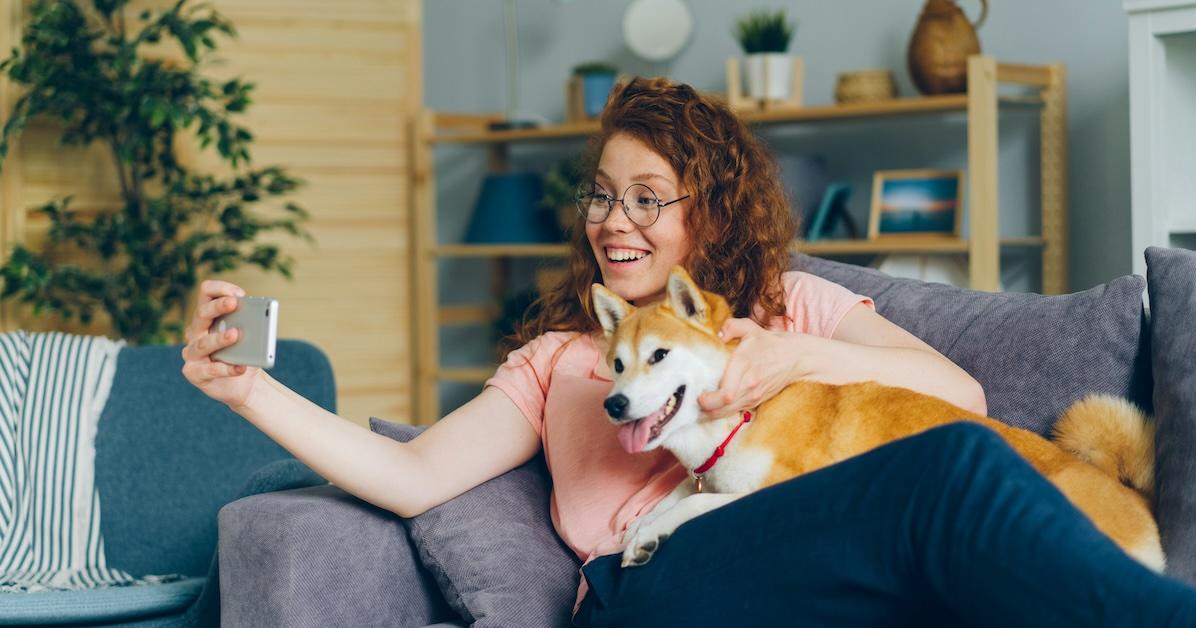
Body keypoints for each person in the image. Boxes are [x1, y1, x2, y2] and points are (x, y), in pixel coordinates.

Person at [181, 77, 1196, 627]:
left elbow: (956, 387)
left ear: (706, 213)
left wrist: (791, 359)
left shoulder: (790, 302)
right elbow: (407, 475)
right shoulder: (562, 362)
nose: (611, 222)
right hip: (655, 585)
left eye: (645, 199)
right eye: (600, 196)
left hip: (812, 554)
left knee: (954, 463)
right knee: (946, 469)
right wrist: (246, 391)